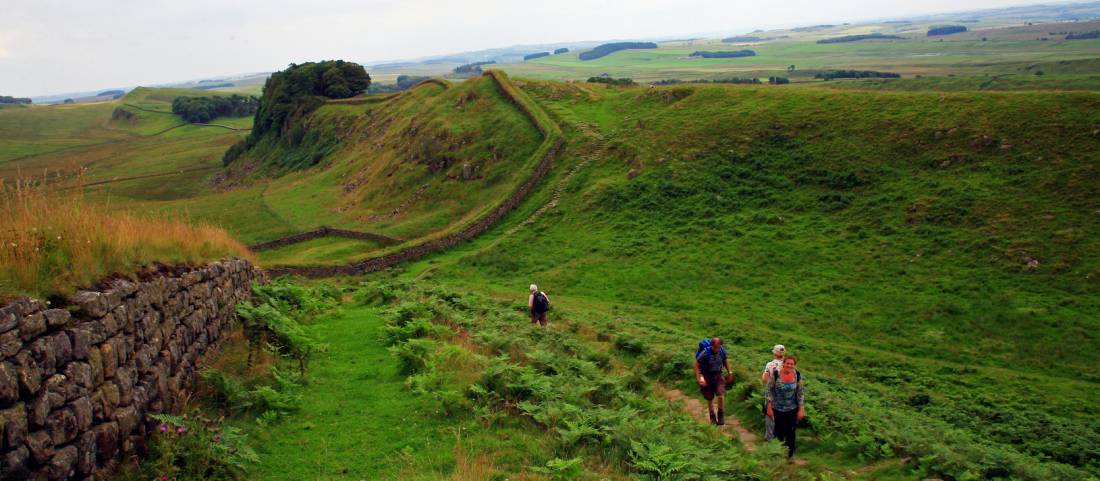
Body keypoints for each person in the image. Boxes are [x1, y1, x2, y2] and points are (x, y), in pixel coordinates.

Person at [766, 355, 805, 461]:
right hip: (777, 408)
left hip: (792, 408)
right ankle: (776, 454)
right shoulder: (775, 374)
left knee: (791, 432)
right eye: (787, 363)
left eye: (792, 364)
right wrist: (769, 407)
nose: (789, 365)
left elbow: (800, 392)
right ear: (783, 363)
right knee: (778, 432)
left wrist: (801, 408)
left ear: (794, 365)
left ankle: (790, 455)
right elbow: (769, 390)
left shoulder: (797, 375)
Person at [694, 337, 733, 425]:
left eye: (719, 347)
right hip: (706, 376)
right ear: (711, 345)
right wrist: (698, 378)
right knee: (709, 397)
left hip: (718, 375)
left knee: (721, 394)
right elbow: (696, 365)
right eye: (715, 347)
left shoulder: (721, 351)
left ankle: (720, 415)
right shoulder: (705, 353)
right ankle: (712, 417)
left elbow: (725, 360)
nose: (717, 349)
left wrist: (730, 372)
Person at [761, 344, 786, 440]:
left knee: (770, 415)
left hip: (771, 392)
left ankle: (769, 438)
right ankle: (780, 438)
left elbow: (764, 380)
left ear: (774, 353)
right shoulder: (788, 364)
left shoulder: (770, 364)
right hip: (785, 393)